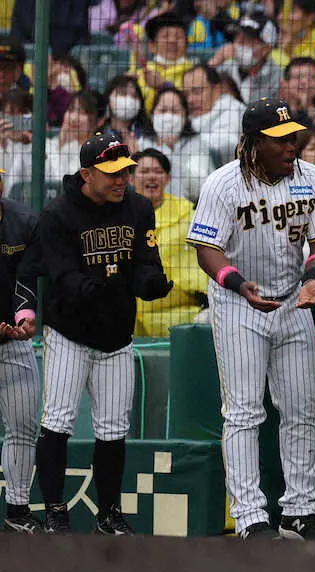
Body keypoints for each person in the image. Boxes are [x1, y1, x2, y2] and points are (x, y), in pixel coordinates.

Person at [186, 98, 315, 540]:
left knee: (301, 409)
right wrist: (237, 284)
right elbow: (206, 249)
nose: (291, 144)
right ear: (253, 143)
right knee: (243, 412)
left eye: (293, 136)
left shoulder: (311, 178)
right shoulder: (223, 184)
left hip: (294, 301)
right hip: (238, 304)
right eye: (279, 140)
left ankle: (298, 511)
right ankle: (251, 516)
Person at [36, 133, 173, 534]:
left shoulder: (138, 207)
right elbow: (63, 278)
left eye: (125, 172)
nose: (121, 180)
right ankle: (55, 511)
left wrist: (150, 284)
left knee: (114, 429)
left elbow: (147, 261)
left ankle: (109, 513)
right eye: (111, 173)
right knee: (58, 421)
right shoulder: (57, 214)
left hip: (117, 335)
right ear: (86, 173)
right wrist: (110, 286)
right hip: (69, 333)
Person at [0, 167, 40, 533]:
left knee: (24, 427)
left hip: (13, 342)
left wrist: (26, 316)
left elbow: (28, 277)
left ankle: (17, 510)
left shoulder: (24, 221)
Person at [130, 148, 208, 337]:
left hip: (179, 314)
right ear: (130, 179)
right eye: (144, 171)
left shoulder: (188, 216)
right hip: (129, 315)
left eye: (158, 172)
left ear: (168, 178)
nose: (152, 177)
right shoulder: (116, 215)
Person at [210, 11, 285, 104]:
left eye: (246, 39)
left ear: (266, 49)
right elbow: (197, 86)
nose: (238, 42)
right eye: (237, 36)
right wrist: (215, 61)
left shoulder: (278, 78)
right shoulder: (226, 67)